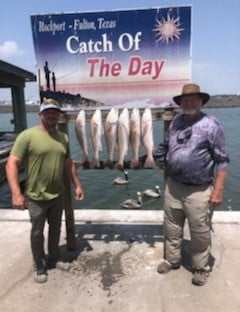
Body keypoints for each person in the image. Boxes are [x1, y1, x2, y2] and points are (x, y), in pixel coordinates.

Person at [154, 83, 229, 286]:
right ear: (180, 103)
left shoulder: (212, 125)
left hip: (199, 189)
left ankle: (201, 268)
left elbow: (222, 160)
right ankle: (172, 260)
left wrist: (218, 190)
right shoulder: (176, 122)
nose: (188, 103)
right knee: (171, 227)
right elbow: (166, 146)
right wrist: (153, 155)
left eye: (193, 99)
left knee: (200, 231)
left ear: (200, 101)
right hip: (174, 185)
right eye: (185, 100)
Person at [6, 98, 84, 283]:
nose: (52, 115)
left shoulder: (63, 138)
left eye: (55, 112)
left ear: (58, 115)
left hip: (57, 193)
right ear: (40, 114)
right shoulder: (27, 136)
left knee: (56, 229)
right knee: (37, 232)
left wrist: (77, 184)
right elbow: (11, 164)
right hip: (35, 196)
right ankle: (39, 265)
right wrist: (17, 194)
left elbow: (68, 163)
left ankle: (53, 258)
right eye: (48, 112)